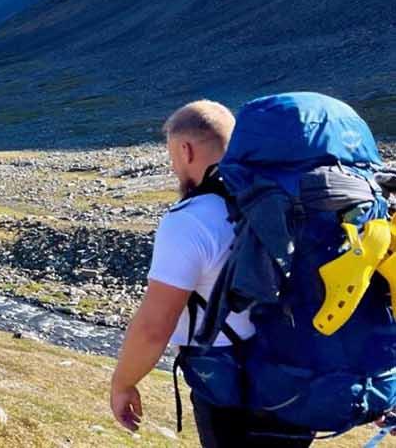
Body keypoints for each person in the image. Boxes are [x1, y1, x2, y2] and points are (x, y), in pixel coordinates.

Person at [110, 101, 311, 447]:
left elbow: (154, 327)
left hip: (231, 390)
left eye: (172, 156)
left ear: (185, 150)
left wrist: (122, 383)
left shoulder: (190, 219)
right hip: (296, 376)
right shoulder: (284, 201)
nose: (174, 167)